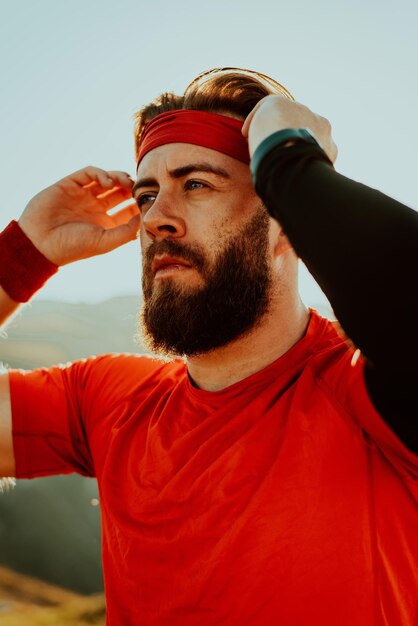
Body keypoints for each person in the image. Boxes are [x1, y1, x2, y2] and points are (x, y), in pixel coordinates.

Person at [0, 67, 417, 625]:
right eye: (146, 195)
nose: (156, 220)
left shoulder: (368, 399)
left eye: (196, 184)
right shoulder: (109, 400)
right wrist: (23, 255)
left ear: (285, 219)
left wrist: (286, 154)